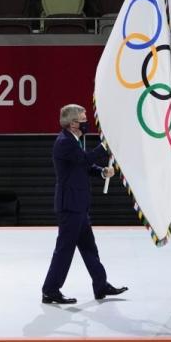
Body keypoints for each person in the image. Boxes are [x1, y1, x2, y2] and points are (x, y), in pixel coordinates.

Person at [41, 104, 128, 304]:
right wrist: (105, 145)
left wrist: (101, 172)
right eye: (83, 118)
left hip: (78, 205)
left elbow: (84, 165)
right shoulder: (65, 142)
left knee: (89, 248)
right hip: (70, 206)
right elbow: (85, 158)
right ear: (73, 123)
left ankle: (100, 285)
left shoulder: (74, 141)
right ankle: (50, 290)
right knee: (64, 249)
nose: (86, 121)